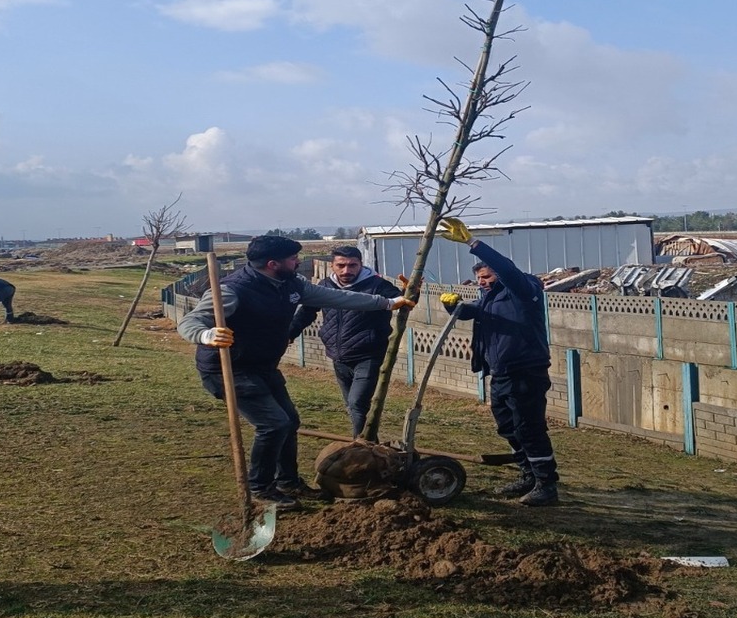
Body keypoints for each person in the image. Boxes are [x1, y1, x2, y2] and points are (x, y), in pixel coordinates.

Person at [177, 236, 417, 512]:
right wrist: (207, 334)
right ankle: (260, 488)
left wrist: (387, 303)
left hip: (263, 366)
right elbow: (190, 321)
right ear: (272, 264)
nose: (298, 262)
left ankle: (287, 482)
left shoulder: (290, 283)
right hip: (228, 369)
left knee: (289, 422)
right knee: (273, 424)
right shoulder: (234, 290)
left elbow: (337, 297)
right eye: (293, 259)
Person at [437, 217, 559, 506]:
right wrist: (452, 306)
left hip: (525, 371)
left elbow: (507, 269)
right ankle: (528, 474)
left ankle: (546, 483)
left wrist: (473, 243)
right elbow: (470, 312)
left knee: (529, 427)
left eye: (488, 277)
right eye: (479, 278)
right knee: (508, 426)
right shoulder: (490, 300)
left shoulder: (522, 291)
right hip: (500, 373)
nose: (482, 281)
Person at [287, 246, 403, 438]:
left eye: (352, 265)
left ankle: (360, 450)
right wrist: (290, 333)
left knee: (357, 403)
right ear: (332, 265)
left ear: (361, 265)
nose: (346, 271)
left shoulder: (377, 286)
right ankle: (369, 443)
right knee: (351, 405)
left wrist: (410, 291)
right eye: (341, 265)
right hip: (337, 355)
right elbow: (307, 312)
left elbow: (402, 301)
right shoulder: (325, 286)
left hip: (369, 355)